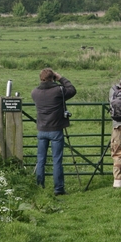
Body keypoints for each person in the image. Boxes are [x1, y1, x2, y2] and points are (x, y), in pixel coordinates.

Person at [31, 68, 77, 196]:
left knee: (41, 160)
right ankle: (58, 189)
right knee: (57, 160)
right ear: (53, 78)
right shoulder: (58, 90)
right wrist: (61, 78)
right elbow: (72, 90)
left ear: (41, 79)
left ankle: (40, 187)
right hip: (56, 129)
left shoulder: (34, 92)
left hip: (41, 129)